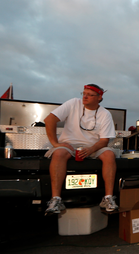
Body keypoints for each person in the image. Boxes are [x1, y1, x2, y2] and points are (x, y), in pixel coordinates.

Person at [44, 84, 118, 214]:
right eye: (84, 93)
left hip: (93, 147)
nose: (85, 96)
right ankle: (56, 200)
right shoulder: (73, 103)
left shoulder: (105, 114)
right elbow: (49, 119)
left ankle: (108, 198)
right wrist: (55, 143)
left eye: (90, 95)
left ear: (99, 97)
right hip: (69, 145)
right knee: (59, 153)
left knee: (109, 154)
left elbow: (104, 141)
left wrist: (91, 149)